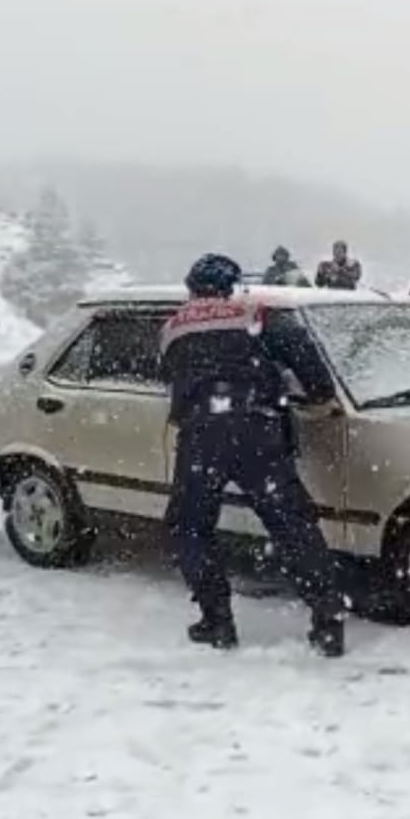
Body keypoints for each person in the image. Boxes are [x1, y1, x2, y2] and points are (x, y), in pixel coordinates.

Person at [160, 253, 348, 657]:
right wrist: (314, 396)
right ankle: (328, 622)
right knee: (293, 525)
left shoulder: (174, 326)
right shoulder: (257, 314)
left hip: (201, 436)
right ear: (232, 286)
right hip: (258, 430)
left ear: (192, 286)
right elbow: (311, 369)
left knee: (190, 526)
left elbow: (169, 379)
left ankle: (217, 621)